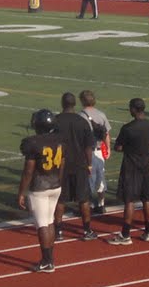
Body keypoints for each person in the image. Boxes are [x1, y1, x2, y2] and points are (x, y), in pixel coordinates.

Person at [18, 109, 65, 272]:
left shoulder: (32, 143)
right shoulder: (60, 139)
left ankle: (47, 261)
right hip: (55, 185)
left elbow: (28, 171)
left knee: (41, 225)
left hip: (39, 187)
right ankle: (50, 258)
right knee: (50, 221)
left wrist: (21, 192)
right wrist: (59, 181)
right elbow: (62, 164)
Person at [109, 98, 149, 245]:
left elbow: (118, 147)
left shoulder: (128, 128)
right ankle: (148, 232)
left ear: (134, 109)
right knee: (146, 199)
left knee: (129, 200)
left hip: (131, 167)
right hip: (145, 164)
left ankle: (126, 234)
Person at [53, 92, 97, 241]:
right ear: (74, 104)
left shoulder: (55, 121)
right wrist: (89, 164)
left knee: (60, 199)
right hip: (80, 165)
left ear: (62, 103)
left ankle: (58, 232)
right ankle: (86, 230)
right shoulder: (82, 121)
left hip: (60, 165)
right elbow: (88, 147)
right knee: (83, 199)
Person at [79, 90, 111, 214]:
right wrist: (107, 148)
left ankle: (90, 205)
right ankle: (101, 204)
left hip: (87, 151)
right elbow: (106, 134)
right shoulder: (101, 114)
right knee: (100, 178)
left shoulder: (81, 116)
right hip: (99, 150)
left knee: (88, 179)